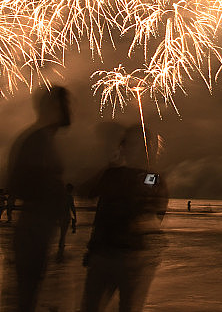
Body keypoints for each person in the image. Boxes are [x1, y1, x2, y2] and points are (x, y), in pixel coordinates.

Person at [80, 124, 169, 312]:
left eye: (137, 144)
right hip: (109, 254)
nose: (130, 149)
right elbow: (85, 191)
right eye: (128, 144)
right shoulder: (114, 174)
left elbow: (150, 206)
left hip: (130, 256)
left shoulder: (150, 176)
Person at [6, 85, 71, 312]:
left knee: (29, 296)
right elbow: (17, 184)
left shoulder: (42, 139)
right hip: (33, 230)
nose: (69, 109)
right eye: (65, 103)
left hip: (38, 230)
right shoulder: (37, 140)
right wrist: (54, 191)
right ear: (53, 106)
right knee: (26, 299)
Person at [56, 183, 77, 262]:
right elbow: (72, 208)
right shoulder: (70, 197)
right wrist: (75, 217)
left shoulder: (61, 197)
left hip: (61, 217)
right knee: (63, 233)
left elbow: (58, 207)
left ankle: (61, 247)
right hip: (66, 217)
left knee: (62, 232)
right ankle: (61, 247)